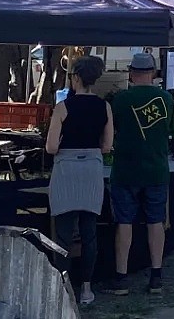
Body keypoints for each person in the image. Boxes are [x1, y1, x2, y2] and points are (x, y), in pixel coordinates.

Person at [45, 55, 114, 306]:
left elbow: (51, 146)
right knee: (89, 233)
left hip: (66, 168)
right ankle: (86, 287)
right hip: (92, 168)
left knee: (63, 234)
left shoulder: (63, 107)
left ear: (75, 78)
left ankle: (64, 286)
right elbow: (107, 146)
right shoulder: (104, 107)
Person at [104, 53, 174, 296]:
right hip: (156, 168)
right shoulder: (166, 99)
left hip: (126, 169)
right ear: (153, 73)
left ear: (131, 73)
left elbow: (113, 131)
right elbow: (169, 128)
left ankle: (121, 277)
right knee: (156, 221)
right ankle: (156, 275)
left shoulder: (121, 100)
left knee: (124, 222)